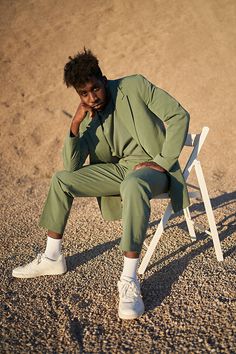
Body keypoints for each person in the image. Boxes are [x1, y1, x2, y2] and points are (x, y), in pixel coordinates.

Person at [12, 48, 190, 320]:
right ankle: (52, 257)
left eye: (95, 89)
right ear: (78, 95)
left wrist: (163, 160)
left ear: (104, 80)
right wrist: (75, 123)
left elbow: (178, 115)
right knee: (61, 179)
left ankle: (129, 280)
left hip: (151, 169)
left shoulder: (135, 86)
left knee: (132, 183)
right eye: (84, 93)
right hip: (116, 170)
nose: (92, 97)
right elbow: (71, 166)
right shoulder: (90, 114)